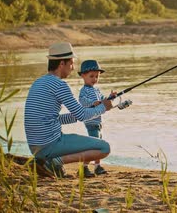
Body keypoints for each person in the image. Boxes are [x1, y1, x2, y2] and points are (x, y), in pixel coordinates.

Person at [24, 42, 115, 178]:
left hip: (35, 148)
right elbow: (83, 115)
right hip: (50, 144)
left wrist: (84, 111)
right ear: (62, 63)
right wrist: (104, 107)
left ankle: (50, 161)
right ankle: (55, 162)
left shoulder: (38, 82)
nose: (72, 68)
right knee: (104, 148)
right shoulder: (59, 84)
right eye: (71, 63)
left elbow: (55, 119)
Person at [78, 59, 110, 177]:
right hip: (90, 121)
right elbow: (82, 102)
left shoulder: (96, 90)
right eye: (91, 76)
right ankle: (84, 167)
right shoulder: (84, 90)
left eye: (97, 76)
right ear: (83, 76)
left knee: (99, 144)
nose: (94, 79)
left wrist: (111, 97)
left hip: (98, 121)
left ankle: (97, 167)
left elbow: (103, 99)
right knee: (94, 145)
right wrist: (93, 103)